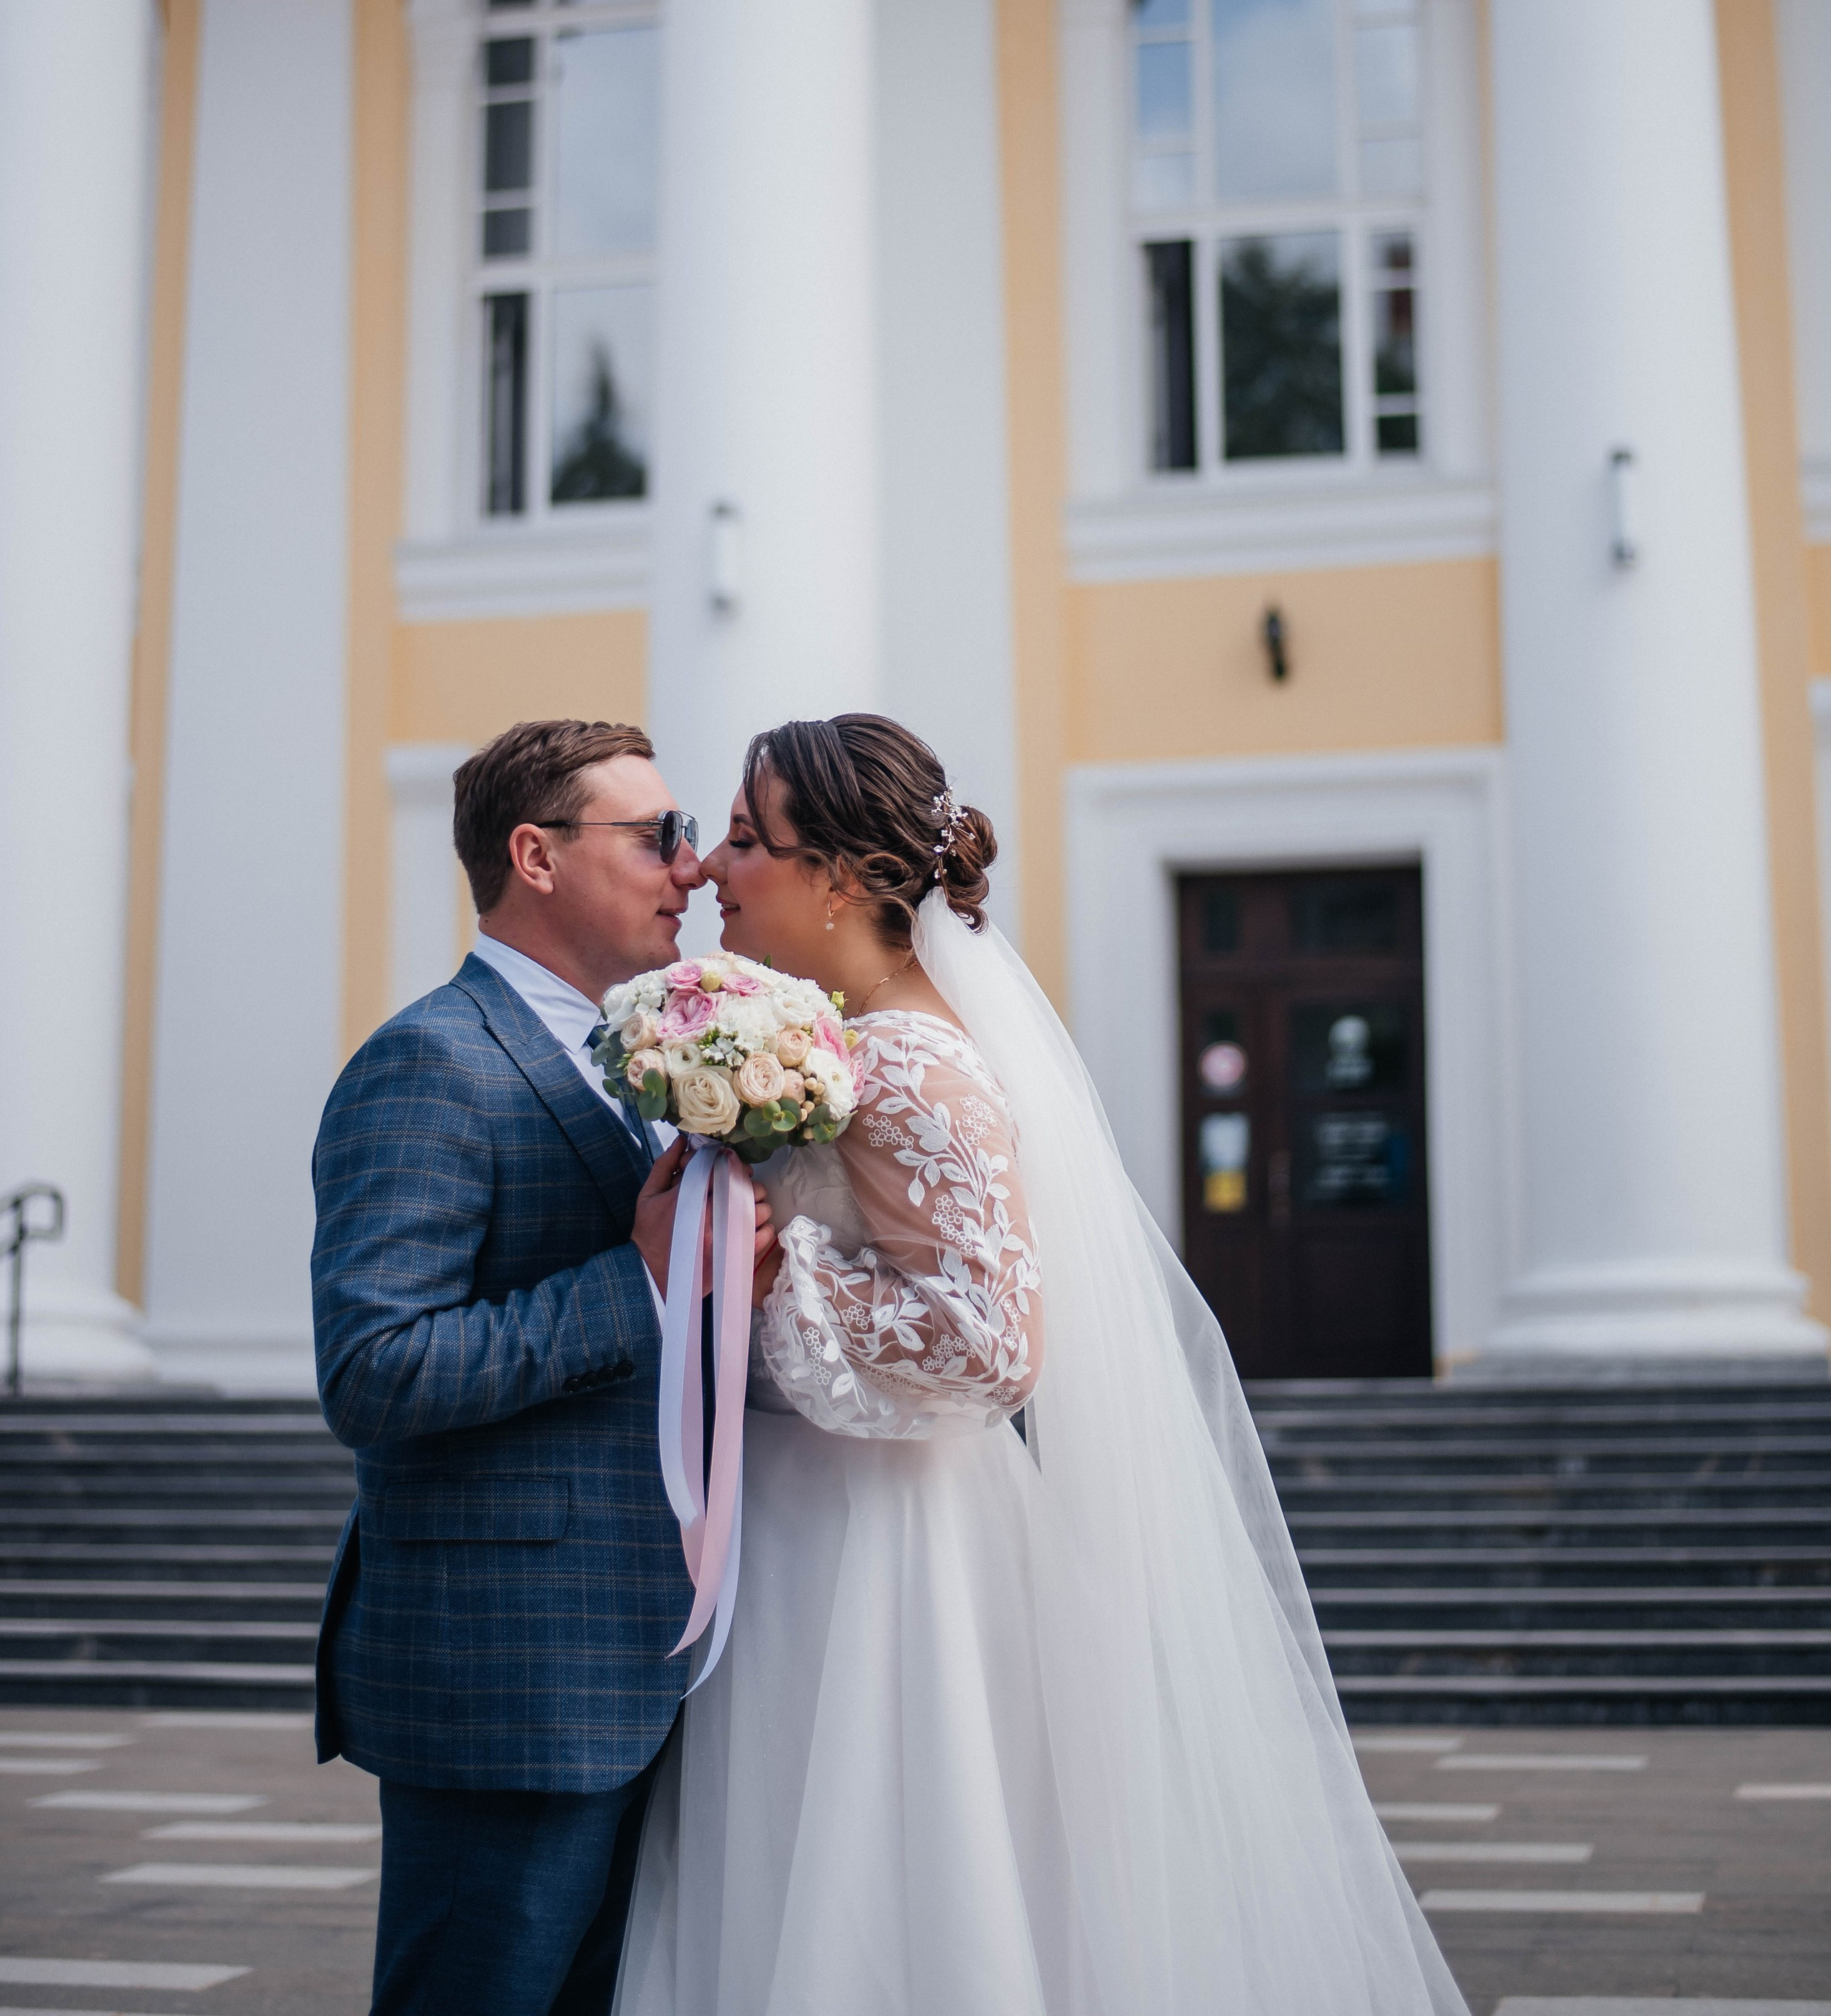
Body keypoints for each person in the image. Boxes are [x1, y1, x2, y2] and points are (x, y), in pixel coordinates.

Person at [613, 712, 1469, 2016]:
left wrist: (775, 1278)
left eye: (747, 839)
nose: (715, 871)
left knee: (877, 1887)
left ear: (844, 876)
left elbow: (996, 1343)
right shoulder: (841, 1045)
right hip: (809, 1522)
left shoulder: (903, 1064)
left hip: (885, 1554)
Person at [310, 717, 777, 2016]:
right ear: (539, 855)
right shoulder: (428, 1065)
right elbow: (375, 1371)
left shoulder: (650, 1063)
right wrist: (634, 1280)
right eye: (657, 836)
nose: (689, 869)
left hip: (650, 1662)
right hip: (506, 1681)